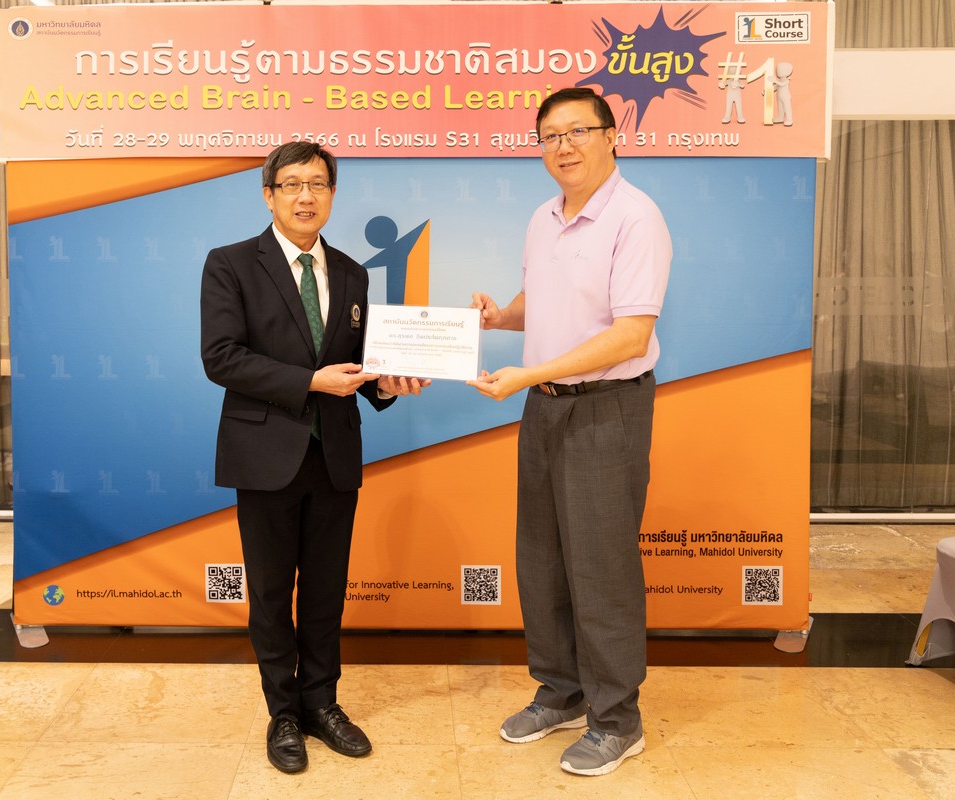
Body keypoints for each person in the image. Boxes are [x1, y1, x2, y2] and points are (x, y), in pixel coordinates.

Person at [201, 142, 427, 774]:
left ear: (332, 194)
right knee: (272, 591)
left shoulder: (352, 272)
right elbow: (221, 357)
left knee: (326, 590)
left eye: (319, 184)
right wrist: (308, 382)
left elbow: (360, 365)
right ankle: (283, 713)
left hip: (334, 455)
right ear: (268, 194)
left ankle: (322, 703)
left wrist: (389, 384)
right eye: (293, 184)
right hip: (264, 453)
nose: (306, 196)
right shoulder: (230, 263)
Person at [467, 87, 671, 777]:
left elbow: (630, 334)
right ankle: (561, 693)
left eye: (578, 131)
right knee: (543, 557)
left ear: (613, 136)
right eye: (550, 135)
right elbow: (545, 301)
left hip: (606, 407)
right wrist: (501, 318)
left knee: (601, 565)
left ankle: (617, 720)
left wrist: (530, 373)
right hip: (545, 406)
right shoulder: (543, 217)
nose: (564, 146)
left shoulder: (635, 218)